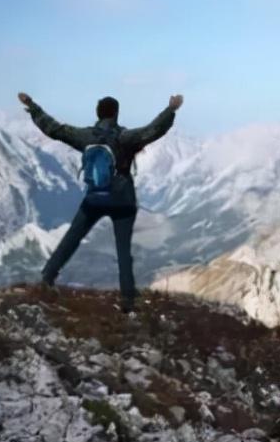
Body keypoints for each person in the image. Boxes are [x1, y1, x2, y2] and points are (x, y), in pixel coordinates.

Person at [18, 91, 184, 313]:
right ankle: (127, 299)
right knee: (123, 251)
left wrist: (32, 106)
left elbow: (53, 129)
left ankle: (47, 278)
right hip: (123, 201)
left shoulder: (85, 137)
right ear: (116, 114)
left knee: (71, 239)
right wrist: (171, 109)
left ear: (97, 114)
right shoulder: (126, 138)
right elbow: (153, 131)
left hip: (94, 199)